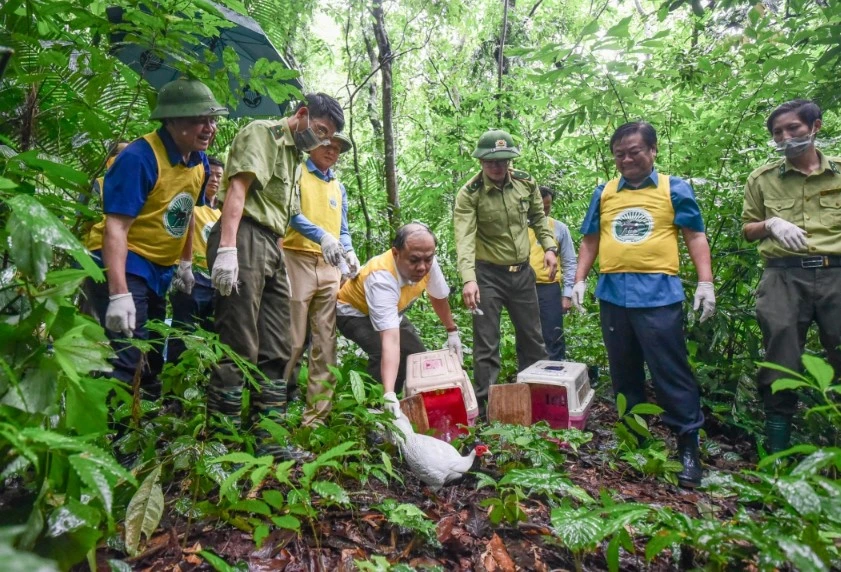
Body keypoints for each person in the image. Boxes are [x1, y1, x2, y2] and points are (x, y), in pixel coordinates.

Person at [571, 121, 716, 488]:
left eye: (634, 151)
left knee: (670, 371)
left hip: (659, 295)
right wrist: (579, 280)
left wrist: (705, 282)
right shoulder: (604, 192)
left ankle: (687, 448)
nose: (627, 159)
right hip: (614, 295)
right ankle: (635, 441)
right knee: (624, 371)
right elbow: (590, 240)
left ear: (653, 151)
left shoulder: (673, 188)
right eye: (619, 154)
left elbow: (695, 235)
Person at [206, 93, 344, 452]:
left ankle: (267, 435)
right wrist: (227, 248)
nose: (322, 141)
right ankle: (224, 440)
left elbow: (286, 214)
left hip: (273, 243)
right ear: (301, 114)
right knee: (239, 339)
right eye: (320, 130)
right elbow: (237, 190)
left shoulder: (293, 156)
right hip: (244, 235)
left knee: (279, 342)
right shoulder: (263, 134)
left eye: (328, 136)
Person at [86, 78, 228, 397]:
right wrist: (119, 293)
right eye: (198, 120)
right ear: (172, 120)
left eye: (212, 120)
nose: (209, 128)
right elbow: (115, 228)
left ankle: (142, 428)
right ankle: (114, 439)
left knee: (150, 357)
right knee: (127, 353)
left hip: (159, 270)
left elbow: (187, 210)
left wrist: (186, 263)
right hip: (123, 263)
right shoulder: (139, 158)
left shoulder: (199, 160)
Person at [741, 99, 841, 453]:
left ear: (815, 127)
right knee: (780, 362)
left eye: (792, 128)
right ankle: (777, 459)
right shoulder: (763, 179)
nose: (785, 137)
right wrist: (770, 224)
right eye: (777, 132)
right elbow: (747, 229)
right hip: (783, 276)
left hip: (836, 275)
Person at [453, 129, 558, 413]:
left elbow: (539, 217)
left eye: (502, 161)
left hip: (523, 274)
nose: (497, 167)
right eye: (490, 162)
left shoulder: (526, 183)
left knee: (533, 339)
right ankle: (488, 406)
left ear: (510, 160)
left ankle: (537, 398)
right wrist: (469, 279)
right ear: (480, 162)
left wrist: (549, 248)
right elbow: (463, 238)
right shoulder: (470, 193)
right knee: (486, 343)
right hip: (487, 276)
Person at [336, 223, 462, 411]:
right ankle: (379, 407)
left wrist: (452, 331)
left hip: (391, 311)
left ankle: (411, 403)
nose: (422, 267)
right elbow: (390, 340)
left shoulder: (428, 262)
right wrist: (389, 393)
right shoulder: (381, 277)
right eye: (414, 260)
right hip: (353, 312)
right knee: (381, 351)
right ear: (396, 253)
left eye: (428, 259)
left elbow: (438, 296)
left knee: (416, 354)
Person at [282, 132, 358, 425]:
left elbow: (344, 229)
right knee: (292, 339)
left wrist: (349, 253)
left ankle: (316, 418)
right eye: (327, 144)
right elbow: (292, 214)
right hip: (296, 258)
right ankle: (272, 408)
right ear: (314, 145)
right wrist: (322, 236)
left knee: (325, 342)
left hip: (330, 265)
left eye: (337, 148)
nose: (332, 151)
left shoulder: (338, 186)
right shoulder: (297, 172)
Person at [167, 156, 224, 364]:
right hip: (192, 275)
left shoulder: (222, 213)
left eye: (219, 176)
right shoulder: (191, 203)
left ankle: (199, 384)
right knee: (184, 331)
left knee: (210, 336)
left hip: (214, 282)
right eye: (212, 175)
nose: (215, 180)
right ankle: (174, 387)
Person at [529, 186, 577, 360]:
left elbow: (570, 262)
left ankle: (556, 376)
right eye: (540, 207)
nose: (543, 211)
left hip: (548, 288)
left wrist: (567, 294)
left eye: (547, 207)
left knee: (553, 334)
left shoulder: (559, 228)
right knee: (527, 336)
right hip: (522, 287)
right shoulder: (517, 228)